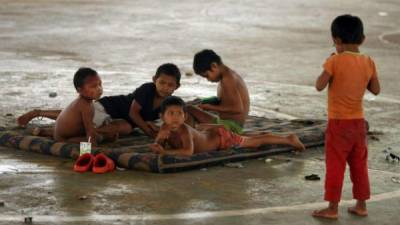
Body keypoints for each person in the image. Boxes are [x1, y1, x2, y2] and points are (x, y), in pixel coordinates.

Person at [312, 14, 380, 219]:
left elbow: (319, 85)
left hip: (338, 124)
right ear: (363, 39)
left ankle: (332, 208)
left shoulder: (335, 61)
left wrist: (330, 63)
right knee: (359, 165)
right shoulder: (368, 61)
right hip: (359, 124)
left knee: (335, 166)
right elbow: (376, 89)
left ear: (336, 40)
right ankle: (361, 205)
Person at [17, 63, 181, 138]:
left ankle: (47, 131)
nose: (165, 87)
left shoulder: (169, 104)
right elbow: (133, 112)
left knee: (125, 129)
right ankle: (38, 114)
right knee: (78, 120)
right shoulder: (147, 89)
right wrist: (146, 129)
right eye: (162, 83)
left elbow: (162, 121)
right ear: (154, 80)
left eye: (170, 85)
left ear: (177, 87)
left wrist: (153, 127)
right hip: (108, 108)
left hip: (122, 120)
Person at [149, 96, 305, 156]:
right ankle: (264, 134)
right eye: (171, 113)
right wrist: (159, 142)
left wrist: (165, 152)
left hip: (221, 139)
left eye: (179, 113)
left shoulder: (184, 129)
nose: (175, 117)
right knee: (249, 137)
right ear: (162, 117)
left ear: (185, 116)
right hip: (208, 132)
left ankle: (288, 139)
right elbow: (158, 145)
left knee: (255, 142)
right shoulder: (164, 128)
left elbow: (188, 151)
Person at [186, 49, 249, 134]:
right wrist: (204, 101)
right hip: (221, 122)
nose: (208, 80)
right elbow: (224, 100)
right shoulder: (224, 77)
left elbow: (238, 109)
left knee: (198, 128)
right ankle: (187, 134)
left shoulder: (228, 79)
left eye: (207, 76)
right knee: (188, 108)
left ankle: (188, 136)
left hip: (232, 127)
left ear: (214, 66)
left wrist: (211, 107)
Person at [54, 67, 117, 145]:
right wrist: (93, 149)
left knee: (110, 133)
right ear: (79, 90)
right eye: (93, 86)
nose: (99, 89)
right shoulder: (84, 106)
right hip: (63, 138)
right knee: (95, 139)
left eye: (100, 84)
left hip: (74, 133)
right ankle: (81, 149)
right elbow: (89, 132)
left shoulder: (88, 102)